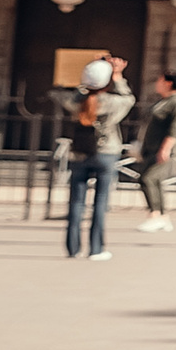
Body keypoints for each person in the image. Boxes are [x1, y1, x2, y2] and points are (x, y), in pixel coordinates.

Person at [63, 56, 131, 263]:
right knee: (100, 203)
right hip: (106, 154)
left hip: (79, 154)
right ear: (107, 82)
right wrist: (118, 75)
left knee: (76, 202)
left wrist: (88, 77)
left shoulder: (76, 103)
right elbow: (128, 98)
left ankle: (73, 248)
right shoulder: (113, 102)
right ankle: (96, 248)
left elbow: (72, 96)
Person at [135, 71, 176, 234]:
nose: (156, 84)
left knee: (148, 178)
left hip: (163, 148)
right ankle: (162, 217)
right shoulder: (164, 101)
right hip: (151, 147)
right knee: (154, 181)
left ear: (168, 83)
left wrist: (166, 148)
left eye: (159, 81)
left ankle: (154, 214)